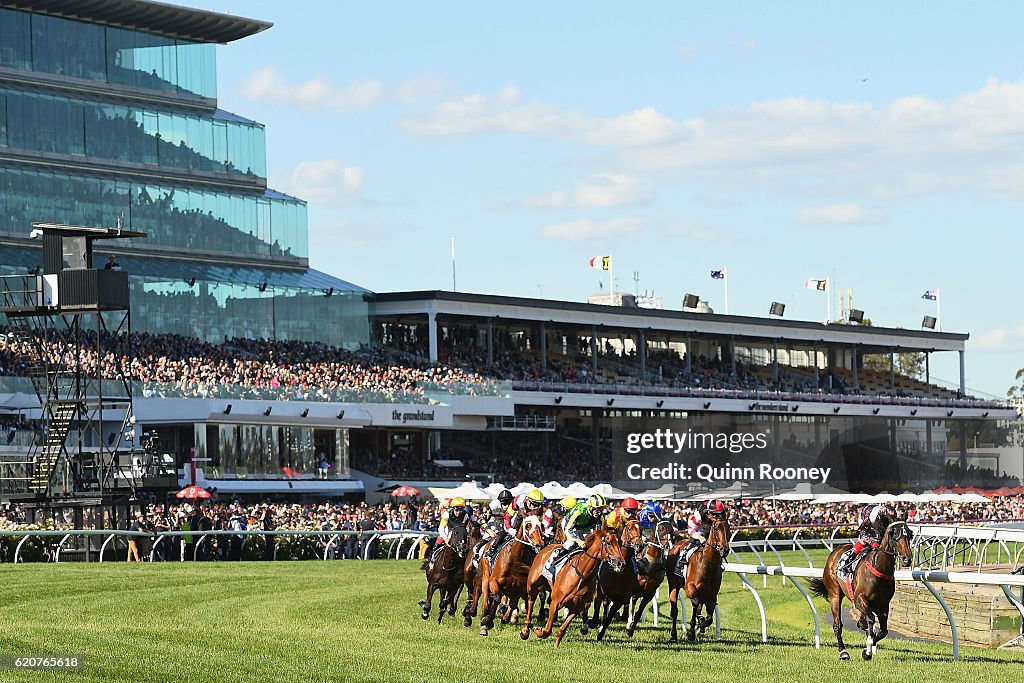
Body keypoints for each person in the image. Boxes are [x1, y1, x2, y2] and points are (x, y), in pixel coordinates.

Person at [485, 488, 543, 564]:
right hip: (515, 515)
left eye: (537, 505)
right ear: (528, 499)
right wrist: (509, 529)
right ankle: (492, 550)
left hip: (527, 518)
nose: (533, 507)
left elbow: (538, 521)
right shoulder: (518, 501)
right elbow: (507, 516)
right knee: (504, 531)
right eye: (532, 504)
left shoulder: (539, 507)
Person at [551, 494, 610, 566]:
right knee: (571, 542)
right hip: (570, 525)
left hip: (585, 528)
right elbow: (569, 529)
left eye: (601, 509)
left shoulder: (600, 518)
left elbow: (598, 534)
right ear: (590, 507)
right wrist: (578, 540)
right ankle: (556, 560)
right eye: (597, 509)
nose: (599, 512)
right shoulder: (579, 511)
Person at [841, 503, 897, 573]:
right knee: (863, 540)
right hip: (865, 514)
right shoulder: (869, 518)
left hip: (876, 516)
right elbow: (862, 533)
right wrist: (871, 542)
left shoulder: (891, 514)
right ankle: (849, 560)